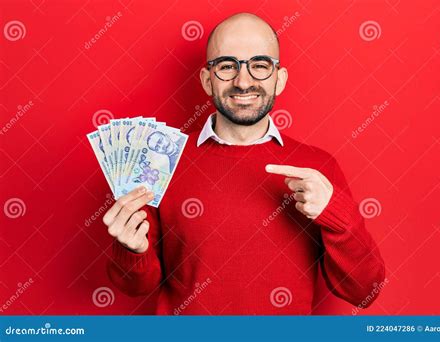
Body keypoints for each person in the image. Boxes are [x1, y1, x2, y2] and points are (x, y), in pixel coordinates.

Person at [102, 12, 385, 315]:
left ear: (280, 79)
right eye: (227, 66)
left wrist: (336, 216)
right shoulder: (160, 161)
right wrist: (132, 250)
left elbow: (364, 291)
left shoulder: (317, 167)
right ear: (207, 81)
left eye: (260, 66)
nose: (244, 81)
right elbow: (136, 288)